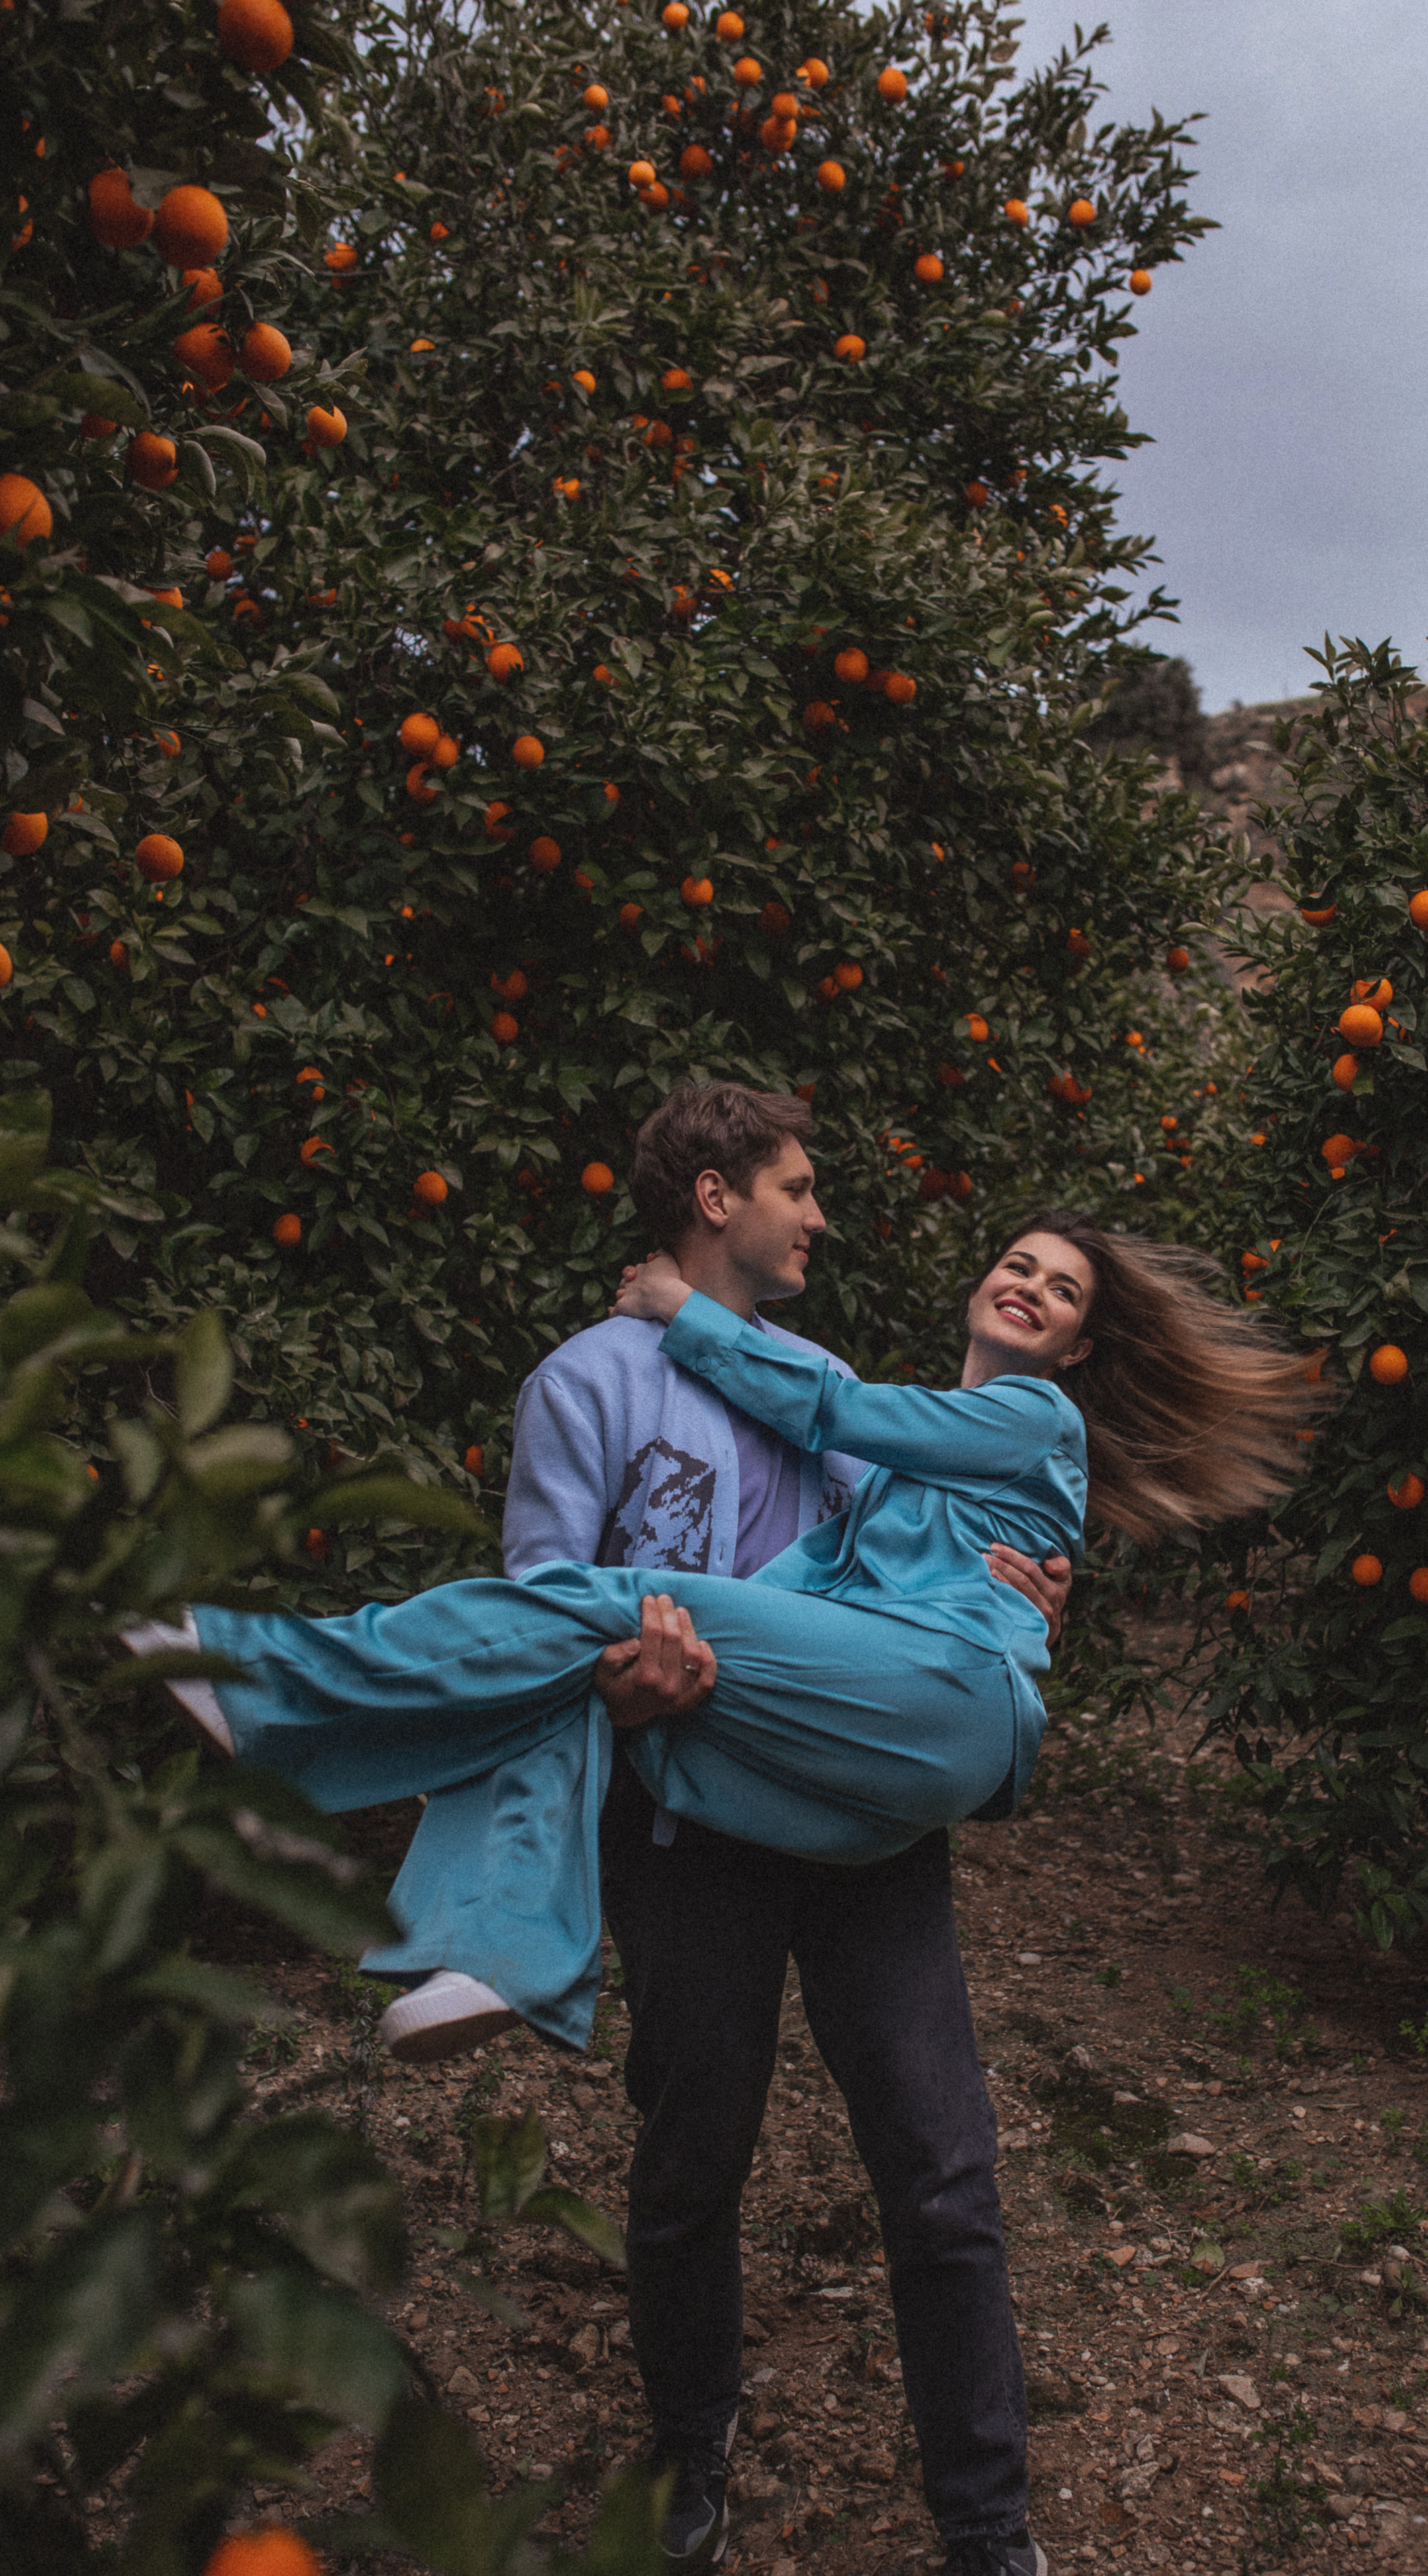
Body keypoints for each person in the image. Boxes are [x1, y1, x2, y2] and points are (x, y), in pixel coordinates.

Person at [132, 1095, 1315, 2576]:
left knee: (940, 2180)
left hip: (888, 1788)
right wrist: (649, 1687)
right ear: (717, 1194)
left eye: (1059, 1287)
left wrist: (687, 1319)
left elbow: (839, 1430)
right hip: (742, 1788)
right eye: (799, 1191)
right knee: (689, 2145)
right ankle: (672, 2396)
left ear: (1075, 1347)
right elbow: (790, 1575)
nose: (821, 1218)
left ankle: (986, 2529)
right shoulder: (611, 1388)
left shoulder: (878, 1390)